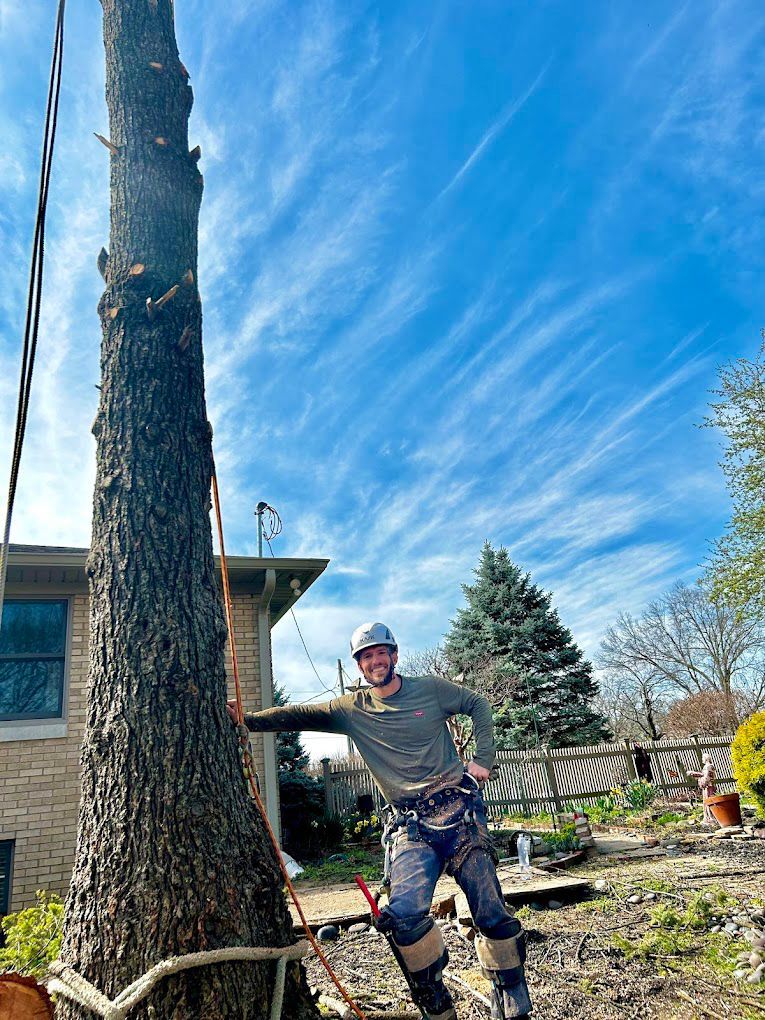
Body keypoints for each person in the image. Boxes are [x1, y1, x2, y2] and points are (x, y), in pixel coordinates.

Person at [229, 622, 532, 1020]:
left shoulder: (430, 689)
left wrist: (483, 760)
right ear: (359, 665)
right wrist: (247, 719)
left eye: (380, 653)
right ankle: (436, 1003)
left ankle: (509, 990)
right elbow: (299, 714)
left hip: (460, 815)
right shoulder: (353, 709)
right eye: (366, 656)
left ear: (394, 655)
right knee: (402, 918)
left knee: (489, 908)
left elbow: (478, 704)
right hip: (411, 827)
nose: (375, 661)